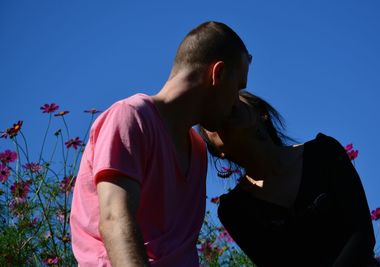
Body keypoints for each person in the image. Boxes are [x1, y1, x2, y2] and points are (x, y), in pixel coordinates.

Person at [70, 21, 251, 267]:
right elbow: (114, 219)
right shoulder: (131, 117)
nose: (237, 103)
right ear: (217, 73)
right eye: (238, 86)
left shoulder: (198, 151)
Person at [200, 91, 380, 267]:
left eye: (229, 98)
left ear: (261, 113)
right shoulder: (234, 210)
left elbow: (362, 235)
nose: (222, 109)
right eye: (211, 114)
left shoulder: (324, 152)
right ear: (218, 152)